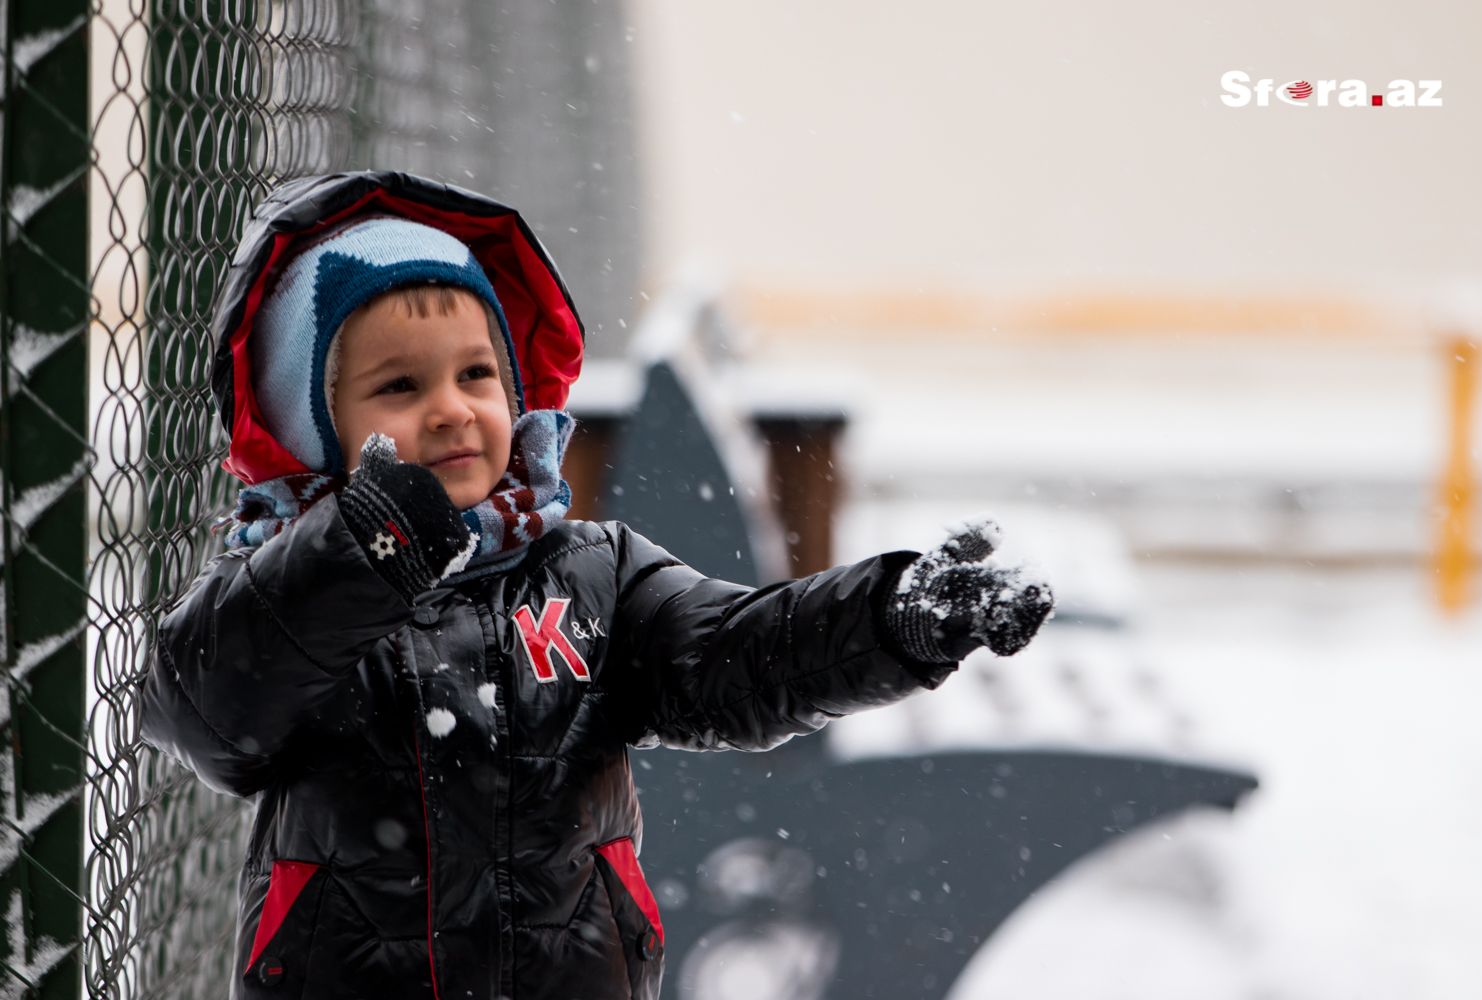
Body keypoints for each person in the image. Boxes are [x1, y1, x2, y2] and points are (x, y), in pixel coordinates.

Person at [142, 171, 1052, 1000]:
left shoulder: (590, 572)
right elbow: (205, 712)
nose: (453, 408)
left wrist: (896, 618)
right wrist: (366, 546)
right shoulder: (291, 588)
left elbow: (737, 655)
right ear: (314, 426)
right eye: (399, 386)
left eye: (476, 374)